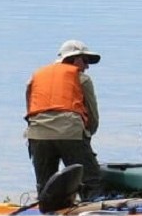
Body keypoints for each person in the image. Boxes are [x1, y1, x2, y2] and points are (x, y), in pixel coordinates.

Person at [25, 40, 102, 202]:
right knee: (90, 179)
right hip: (70, 132)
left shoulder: (36, 76)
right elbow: (92, 114)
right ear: (74, 59)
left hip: (38, 134)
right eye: (85, 61)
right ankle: (93, 213)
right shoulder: (82, 79)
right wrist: (88, 134)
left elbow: (30, 104)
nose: (87, 66)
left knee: (45, 185)